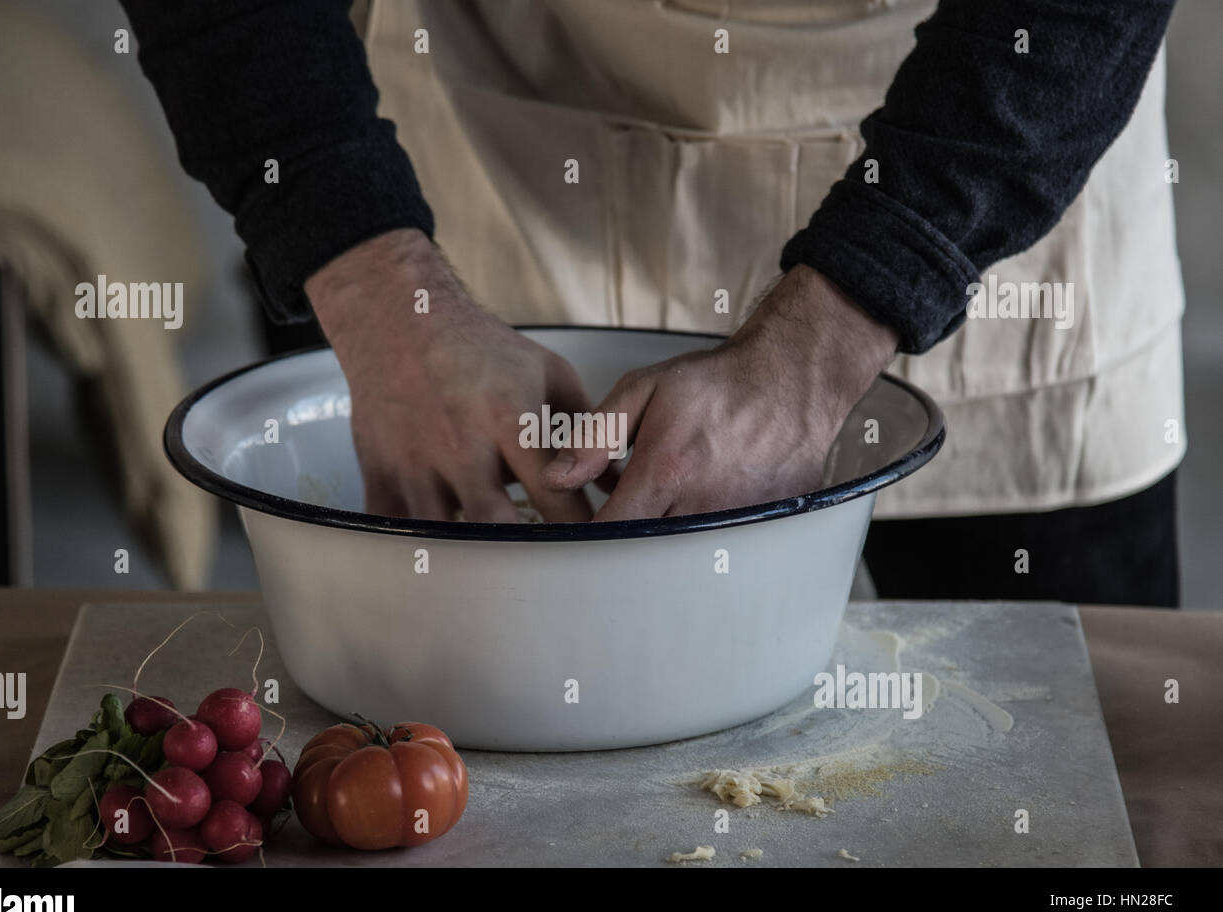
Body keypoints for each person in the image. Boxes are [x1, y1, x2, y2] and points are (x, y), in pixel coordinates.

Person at [119, 0, 1183, 606]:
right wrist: (366, 278)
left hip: (986, 147)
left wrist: (834, 333)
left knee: (1050, 795)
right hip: (489, 122)